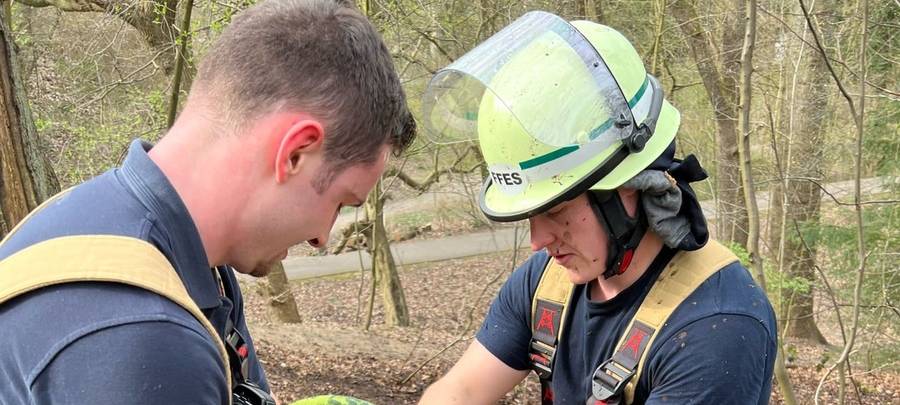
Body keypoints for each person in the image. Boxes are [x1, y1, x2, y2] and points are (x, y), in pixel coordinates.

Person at [0, 0, 413, 404]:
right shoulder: (146, 338)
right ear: (294, 153)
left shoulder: (145, 241)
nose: (323, 237)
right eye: (341, 201)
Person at [418, 11, 776, 404]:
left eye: (556, 210)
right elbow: (462, 390)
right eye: (529, 216)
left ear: (631, 188)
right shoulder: (546, 285)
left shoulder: (715, 327)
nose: (538, 241)